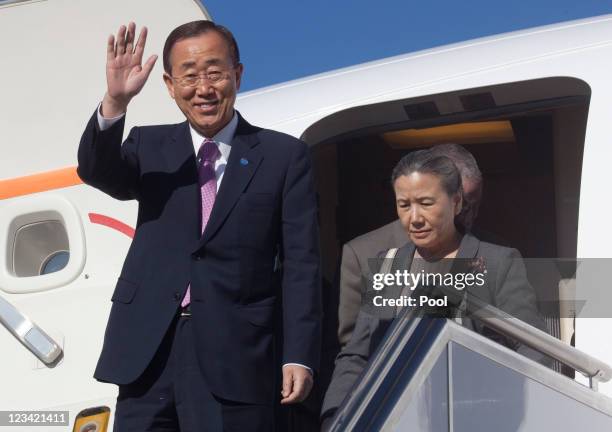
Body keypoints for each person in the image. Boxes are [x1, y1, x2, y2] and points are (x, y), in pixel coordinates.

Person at [77, 21, 321, 431]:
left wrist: (298, 354)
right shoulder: (148, 144)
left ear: (237, 75)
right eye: (189, 76)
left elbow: (302, 264)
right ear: (170, 86)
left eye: (214, 72)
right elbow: (97, 169)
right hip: (148, 351)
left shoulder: (284, 156)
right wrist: (115, 103)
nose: (203, 88)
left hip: (236, 353)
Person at [321, 149, 547, 425]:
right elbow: (357, 355)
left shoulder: (497, 262)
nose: (414, 217)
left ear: (456, 202)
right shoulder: (387, 266)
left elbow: (534, 348)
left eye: (426, 203)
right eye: (404, 205)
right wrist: (334, 416)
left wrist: (505, 409)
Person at [337, 143, 483, 348]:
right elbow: (355, 348)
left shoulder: (493, 251)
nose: (466, 213)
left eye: (472, 205)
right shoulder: (363, 253)